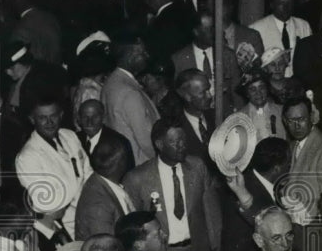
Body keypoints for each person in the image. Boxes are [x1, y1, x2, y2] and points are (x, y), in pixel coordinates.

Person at [122, 117, 222, 251]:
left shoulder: (197, 167)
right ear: (159, 144)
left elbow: (211, 211)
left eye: (183, 140)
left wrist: (215, 247)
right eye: (175, 142)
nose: (182, 145)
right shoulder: (137, 179)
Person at [15, 94, 92, 236]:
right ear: (32, 119)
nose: (49, 122)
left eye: (53, 116)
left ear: (61, 115)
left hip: (89, 211)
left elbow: (88, 171)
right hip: (62, 226)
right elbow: (46, 204)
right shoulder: (27, 157)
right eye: (42, 118)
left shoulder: (69, 136)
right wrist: (77, 196)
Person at [282, 95, 322, 223]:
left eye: (301, 119)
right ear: (284, 121)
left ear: (311, 117)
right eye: (291, 121)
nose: (297, 126)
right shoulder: (294, 144)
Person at [102, 33, 161, 165]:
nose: (147, 56)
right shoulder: (129, 92)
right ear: (130, 56)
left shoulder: (110, 83)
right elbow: (146, 140)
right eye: (143, 53)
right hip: (142, 165)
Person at [172, 9, 243, 117]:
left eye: (215, 28)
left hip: (225, 118)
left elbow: (237, 91)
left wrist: (240, 117)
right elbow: (178, 96)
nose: (215, 33)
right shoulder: (179, 59)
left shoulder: (227, 55)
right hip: (197, 120)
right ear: (196, 32)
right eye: (210, 29)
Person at [75, 134, 136, 240]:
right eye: (126, 157)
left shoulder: (103, 179)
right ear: (121, 164)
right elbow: (107, 249)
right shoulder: (98, 205)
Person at [249, 0, 313, 77]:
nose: (286, 7)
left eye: (289, 3)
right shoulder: (256, 28)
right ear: (272, 5)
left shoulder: (303, 25)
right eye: (281, 3)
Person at [76, 98, 133, 168]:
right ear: (79, 119)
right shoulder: (74, 139)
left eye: (95, 117)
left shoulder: (119, 143)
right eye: (85, 117)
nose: (89, 122)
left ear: (103, 117)